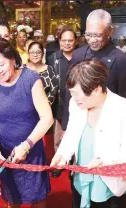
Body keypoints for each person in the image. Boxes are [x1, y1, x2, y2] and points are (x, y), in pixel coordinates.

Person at [51, 59, 126, 208]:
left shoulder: (124, 109)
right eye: (72, 93)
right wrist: (62, 155)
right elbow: (71, 133)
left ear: (96, 89)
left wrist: (104, 161)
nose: (74, 98)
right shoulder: (76, 104)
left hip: (109, 181)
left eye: (77, 94)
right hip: (81, 175)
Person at [0, 37, 53, 207]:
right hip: (6, 153)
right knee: (12, 199)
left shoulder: (30, 79)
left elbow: (47, 118)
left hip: (32, 149)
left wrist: (27, 145)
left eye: (1, 64)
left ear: (13, 58)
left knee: (38, 198)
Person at [61, 9, 126, 133]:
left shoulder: (121, 60)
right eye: (88, 34)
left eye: (98, 35)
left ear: (110, 31)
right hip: (80, 122)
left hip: (108, 124)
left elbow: (124, 98)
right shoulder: (78, 55)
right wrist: (66, 125)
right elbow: (70, 92)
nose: (92, 40)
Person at [47, 28, 77, 170]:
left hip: (78, 104)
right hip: (59, 104)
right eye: (64, 40)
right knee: (59, 138)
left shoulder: (80, 56)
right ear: (59, 42)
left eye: (70, 40)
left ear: (75, 41)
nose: (67, 43)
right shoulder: (53, 58)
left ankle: (75, 165)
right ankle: (59, 164)